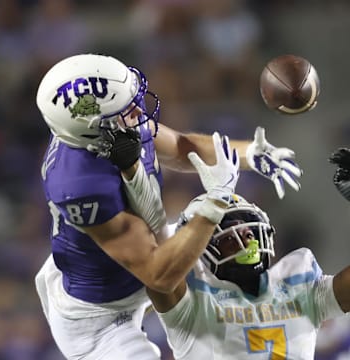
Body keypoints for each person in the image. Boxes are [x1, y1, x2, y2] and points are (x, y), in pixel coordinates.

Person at [34, 53, 302, 359]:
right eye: (125, 109)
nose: (138, 108)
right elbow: (158, 276)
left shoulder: (111, 131)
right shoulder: (81, 184)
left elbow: (182, 148)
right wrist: (216, 197)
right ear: (94, 129)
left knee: (237, 229)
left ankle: (264, 324)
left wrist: (250, 155)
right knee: (213, 216)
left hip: (132, 259)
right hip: (100, 314)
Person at [146, 147, 350, 360]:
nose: (245, 236)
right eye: (228, 231)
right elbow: (158, 275)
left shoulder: (299, 285)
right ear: (200, 247)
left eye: (248, 227)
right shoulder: (192, 301)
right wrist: (213, 205)